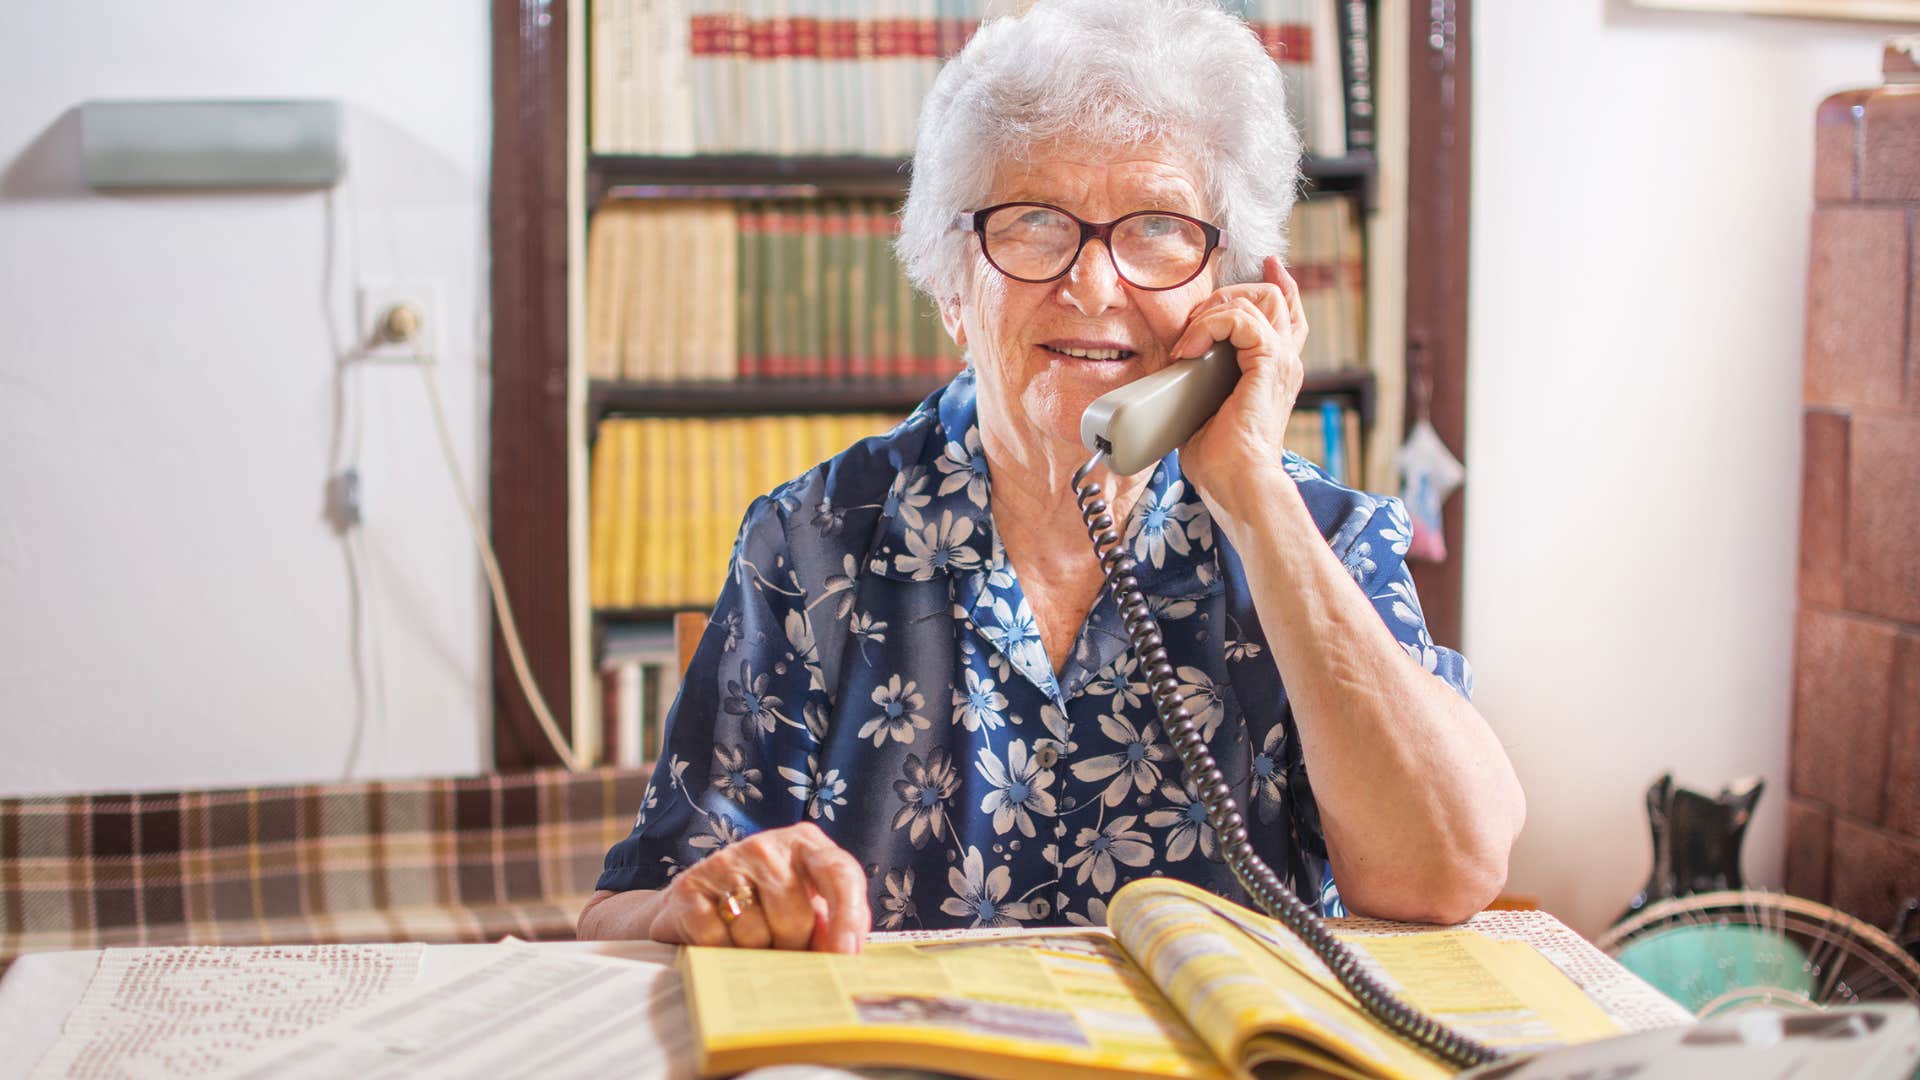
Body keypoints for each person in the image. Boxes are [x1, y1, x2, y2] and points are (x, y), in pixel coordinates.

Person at [579, 0, 1525, 953]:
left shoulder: (1324, 534)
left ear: (1234, 291)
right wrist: (700, 905)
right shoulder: (814, 538)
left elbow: (1445, 872)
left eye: (1157, 226)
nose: (1095, 285)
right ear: (953, 287)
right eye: (1033, 222)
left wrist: (1254, 497)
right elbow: (632, 907)